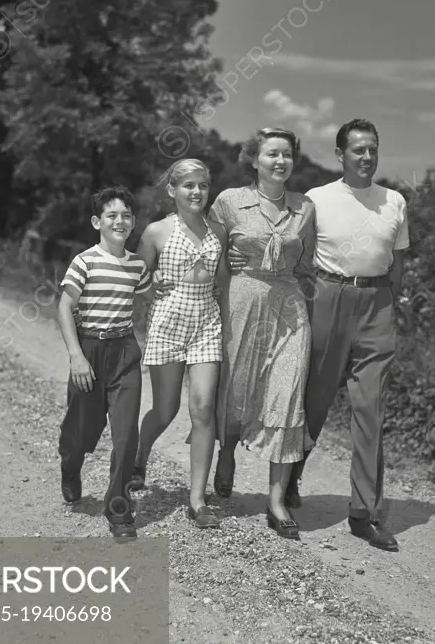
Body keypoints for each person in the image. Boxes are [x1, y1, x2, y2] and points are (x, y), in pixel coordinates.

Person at [228, 119, 408, 551]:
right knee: (313, 400)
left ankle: (364, 513)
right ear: (341, 155)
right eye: (358, 150)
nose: (367, 157)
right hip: (326, 297)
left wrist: (385, 304)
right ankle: (290, 476)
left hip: (377, 303)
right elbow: (291, 250)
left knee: (371, 410)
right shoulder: (317, 200)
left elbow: (398, 263)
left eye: (373, 149)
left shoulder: (395, 201)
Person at [208, 127, 316, 540]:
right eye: (272, 154)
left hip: (288, 307)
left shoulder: (305, 207)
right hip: (242, 299)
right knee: (237, 389)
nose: (280, 162)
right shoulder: (229, 201)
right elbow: (210, 251)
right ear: (254, 160)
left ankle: (275, 500)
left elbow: (306, 263)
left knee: (287, 395)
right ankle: (226, 454)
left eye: (286, 155)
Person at [129, 159, 223, 530]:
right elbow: (137, 274)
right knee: (165, 410)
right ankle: (140, 454)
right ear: (172, 190)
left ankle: (197, 500)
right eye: (188, 185)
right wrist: (153, 289)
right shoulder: (155, 231)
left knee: (203, 408)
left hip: (206, 323)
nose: (196, 191)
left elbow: (224, 278)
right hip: (168, 323)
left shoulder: (218, 229)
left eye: (202, 185)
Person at [56, 185, 152, 541]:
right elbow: (65, 307)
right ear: (97, 221)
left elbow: (153, 297)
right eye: (112, 215)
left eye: (126, 215)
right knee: (79, 431)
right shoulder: (85, 261)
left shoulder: (138, 266)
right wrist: (76, 355)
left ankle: (119, 508)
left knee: (126, 435)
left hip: (125, 352)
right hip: (90, 352)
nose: (120, 221)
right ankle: (70, 467)